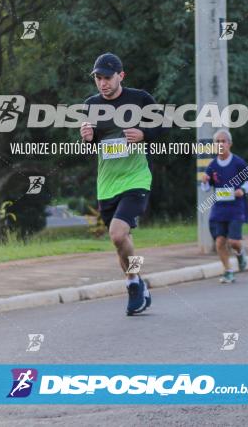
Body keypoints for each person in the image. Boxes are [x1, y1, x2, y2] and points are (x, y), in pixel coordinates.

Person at [80, 53, 167, 315]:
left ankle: (132, 284)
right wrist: (85, 138)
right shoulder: (91, 105)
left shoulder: (139, 98)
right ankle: (138, 282)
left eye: (107, 77)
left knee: (118, 233)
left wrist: (144, 134)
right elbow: (91, 144)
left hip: (136, 177)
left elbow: (163, 127)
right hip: (107, 183)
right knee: (120, 242)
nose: (103, 83)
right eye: (98, 78)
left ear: (121, 76)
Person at [201, 129, 248, 283]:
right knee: (219, 242)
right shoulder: (212, 166)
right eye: (217, 141)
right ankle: (228, 271)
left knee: (234, 242)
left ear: (229, 144)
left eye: (223, 141)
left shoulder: (238, 162)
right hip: (219, 209)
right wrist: (204, 181)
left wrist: (242, 190)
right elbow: (206, 188)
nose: (220, 144)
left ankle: (240, 252)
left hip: (236, 208)